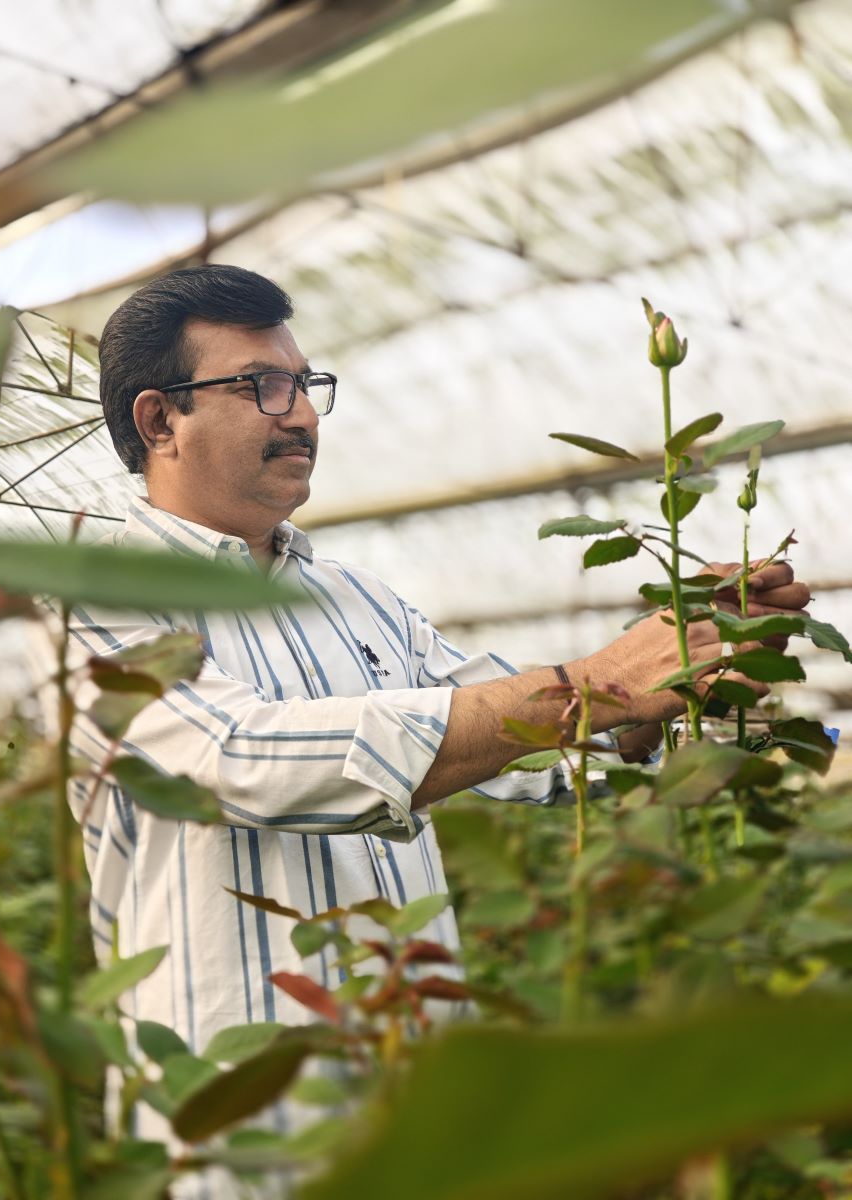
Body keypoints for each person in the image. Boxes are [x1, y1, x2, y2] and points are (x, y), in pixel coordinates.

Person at [69, 263, 807, 1179]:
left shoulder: (358, 600)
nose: (299, 413)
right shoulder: (90, 597)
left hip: (406, 1103)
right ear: (158, 420)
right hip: (240, 1131)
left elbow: (528, 744)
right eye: (260, 386)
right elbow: (239, 761)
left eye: (306, 385)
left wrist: (683, 682)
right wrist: (600, 681)